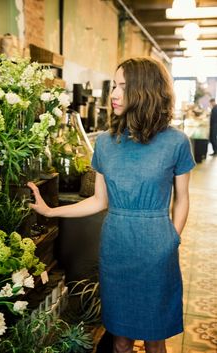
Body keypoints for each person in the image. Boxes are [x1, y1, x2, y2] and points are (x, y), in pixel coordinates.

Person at [28, 57, 195, 353]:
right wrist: (50, 211)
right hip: (116, 246)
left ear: (147, 91)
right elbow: (98, 200)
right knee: (119, 340)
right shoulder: (105, 143)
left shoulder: (176, 142)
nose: (114, 94)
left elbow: (182, 198)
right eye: (114, 86)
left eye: (124, 87)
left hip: (157, 247)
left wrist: (173, 238)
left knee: (156, 340)